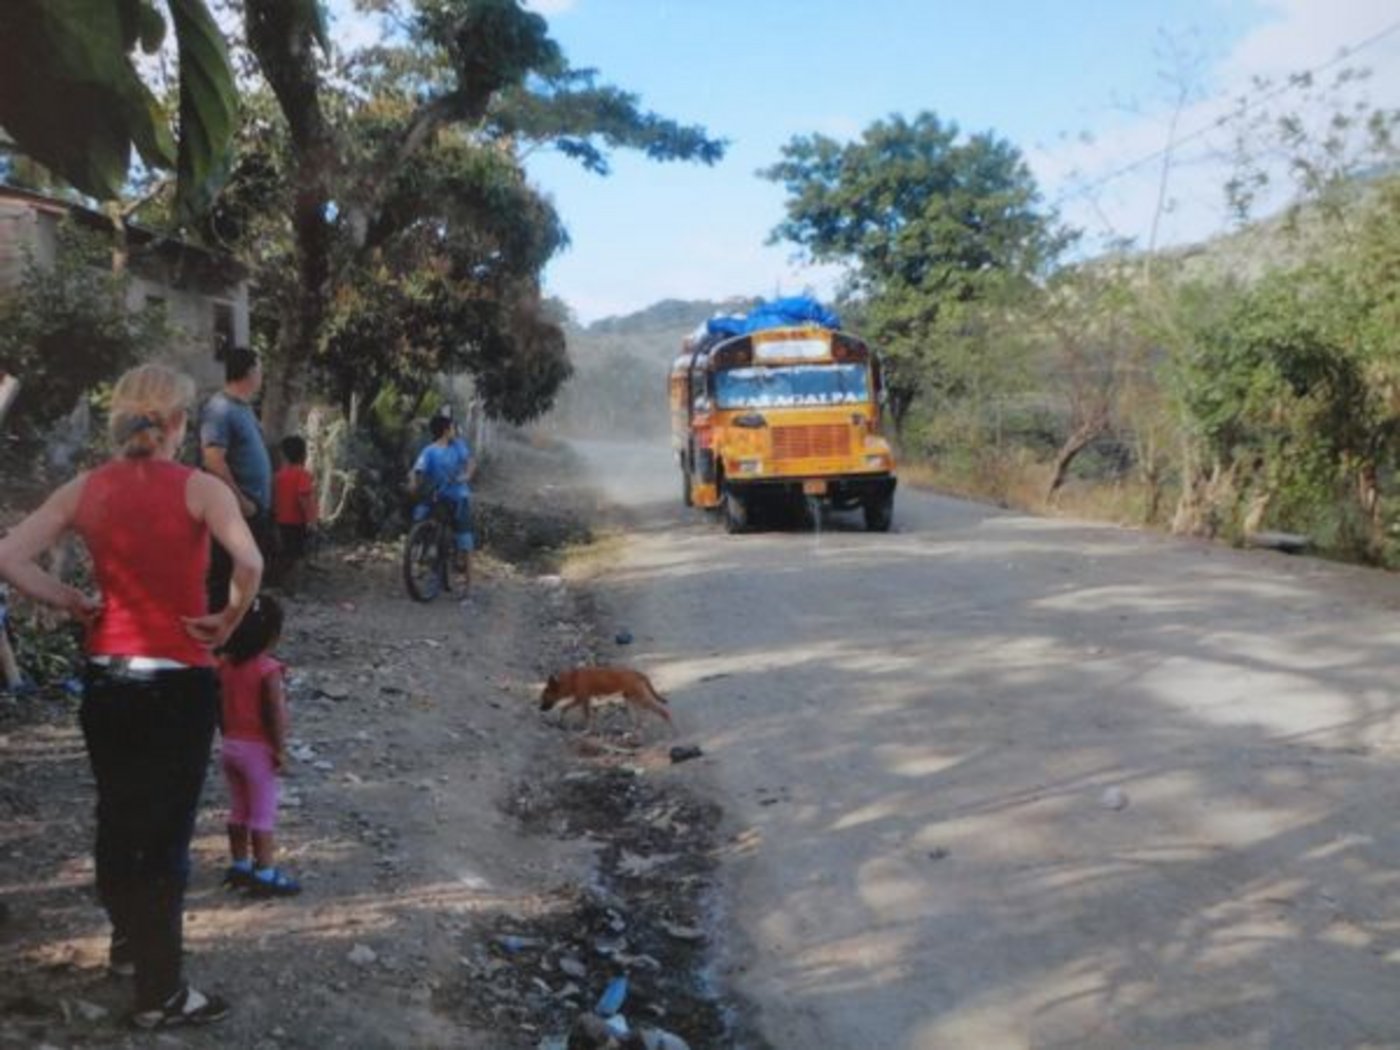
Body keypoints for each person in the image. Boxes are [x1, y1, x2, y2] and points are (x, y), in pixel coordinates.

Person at [0, 363, 262, 1029]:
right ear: (177, 423)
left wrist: (68, 599)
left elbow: (8, 555)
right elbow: (251, 562)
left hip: (108, 680)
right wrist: (228, 619)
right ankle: (161, 994)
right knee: (166, 839)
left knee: (118, 819)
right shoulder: (202, 489)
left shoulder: (87, 488)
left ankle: (128, 943)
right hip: (178, 684)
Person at [217, 594, 300, 897]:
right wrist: (279, 749)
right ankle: (265, 872)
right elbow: (275, 713)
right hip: (257, 750)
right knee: (262, 813)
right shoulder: (268, 669)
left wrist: (226, 733)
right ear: (272, 635)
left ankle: (239, 865)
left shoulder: (225, 666)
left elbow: (220, 705)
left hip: (230, 746)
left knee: (239, 809)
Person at [200, 346, 273, 611]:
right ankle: (221, 630)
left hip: (253, 509)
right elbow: (213, 460)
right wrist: (240, 501)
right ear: (250, 372)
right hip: (236, 510)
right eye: (260, 370)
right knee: (225, 577)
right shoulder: (220, 409)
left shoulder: (243, 408)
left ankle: (243, 627)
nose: (262, 376)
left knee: (249, 577)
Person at [408, 409, 477, 583]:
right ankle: (418, 556)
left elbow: (470, 462)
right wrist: (414, 484)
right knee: (421, 517)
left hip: (457, 496)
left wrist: (466, 476)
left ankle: (468, 581)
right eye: (452, 428)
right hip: (438, 495)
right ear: (446, 431)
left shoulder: (457, 446)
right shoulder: (430, 451)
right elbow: (417, 470)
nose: (454, 431)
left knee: (464, 537)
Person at [272, 434, 317, 584]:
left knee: (284, 552)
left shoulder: (277, 476)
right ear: (304, 455)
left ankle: (281, 581)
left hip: (280, 521)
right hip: (297, 523)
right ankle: (293, 584)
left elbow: (274, 499)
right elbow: (304, 497)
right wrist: (311, 520)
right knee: (298, 555)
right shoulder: (303, 475)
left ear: (283, 456)